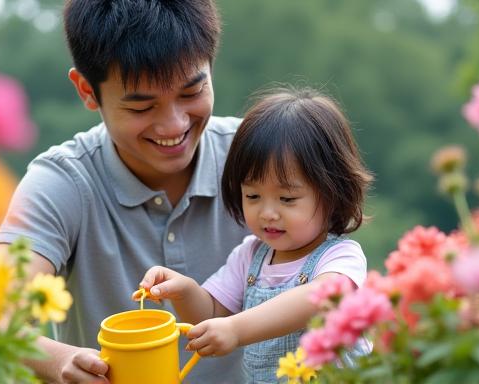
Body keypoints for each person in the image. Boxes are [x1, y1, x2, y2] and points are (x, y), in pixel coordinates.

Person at [0, 0, 250, 382]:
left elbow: (336, 277)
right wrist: (59, 361)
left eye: (191, 92)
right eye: (142, 107)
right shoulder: (63, 182)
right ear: (86, 90)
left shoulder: (259, 156)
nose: (173, 124)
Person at [135, 87, 374, 383]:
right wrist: (183, 290)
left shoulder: (340, 256)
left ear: (332, 194)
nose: (267, 212)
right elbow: (210, 315)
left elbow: (319, 299)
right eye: (253, 195)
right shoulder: (249, 256)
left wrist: (237, 330)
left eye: (287, 199)